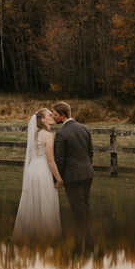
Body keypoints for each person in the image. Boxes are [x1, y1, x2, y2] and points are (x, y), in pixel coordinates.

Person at [12, 108, 64, 241]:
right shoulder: (48, 136)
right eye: (50, 115)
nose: (53, 117)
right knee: (45, 202)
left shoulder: (35, 134)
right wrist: (59, 179)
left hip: (32, 169)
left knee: (33, 202)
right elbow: (51, 161)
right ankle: (47, 237)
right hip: (43, 171)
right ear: (42, 119)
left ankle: (30, 234)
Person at [52, 101, 95, 237]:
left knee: (77, 207)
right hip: (87, 173)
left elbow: (60, 159)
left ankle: (81, 236)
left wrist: (58, 179)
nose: (54, 117)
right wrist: (87, 167)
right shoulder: (84, 128)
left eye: (55, 115)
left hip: (73, 176)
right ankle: (87, 236)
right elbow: (90, 152)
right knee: (85, 204)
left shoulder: (61, 133)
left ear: (63, 116)